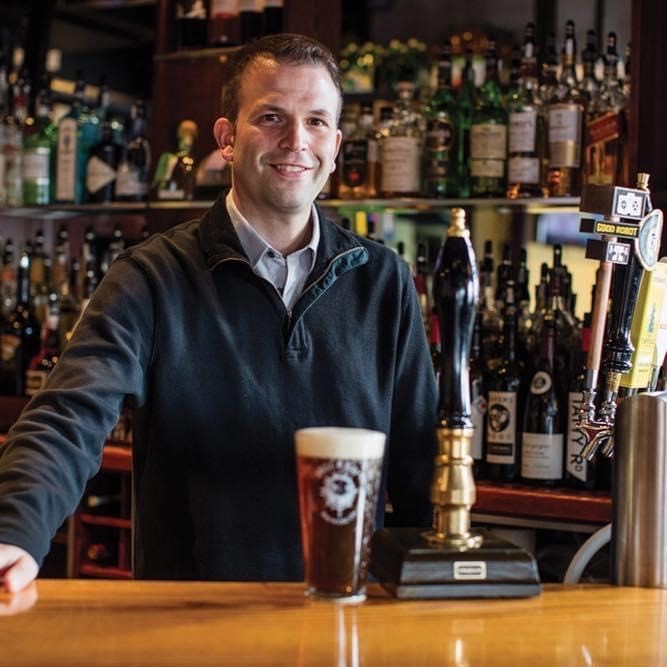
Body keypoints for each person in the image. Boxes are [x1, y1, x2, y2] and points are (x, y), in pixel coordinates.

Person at [0, 34, 438, 593]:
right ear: (227, 138)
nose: (297, 141)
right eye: (272, 117)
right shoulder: (152, 277)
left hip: (344, 617)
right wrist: (16, 530)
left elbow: (422, 468)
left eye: (317, 122)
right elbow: (68, 416)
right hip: (190, 623)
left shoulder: (383, 281)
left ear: (336, 143)